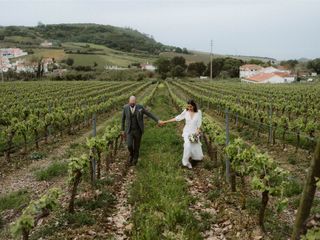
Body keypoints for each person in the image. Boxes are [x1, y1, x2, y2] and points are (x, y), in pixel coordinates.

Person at [121, 96, 164, 165]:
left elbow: (149, 114)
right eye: (131, 103)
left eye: (133, 103)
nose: (132, 104)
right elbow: (123, 119)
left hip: (138, 130)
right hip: (129, 130)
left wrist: (157, 120)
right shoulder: (125, 108)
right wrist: (122, 130)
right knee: (129, 145)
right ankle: (131, 154)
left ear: (135, 102)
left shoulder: (140, 107)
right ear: (129, 102)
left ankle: (135, 159)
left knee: (137, 146)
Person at [162, 99, 203, 169]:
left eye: (191, 107)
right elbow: (178, 118)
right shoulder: (186, 111)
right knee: (187, 145)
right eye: (188, 107)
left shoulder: (198, 112)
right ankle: (186, 163)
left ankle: (193, 160)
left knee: (195, 149)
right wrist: (166, 121)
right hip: (187, 132)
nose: (189, 108)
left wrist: (198, 130)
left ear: (194, 106)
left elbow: (199, 124)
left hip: (194, 133)